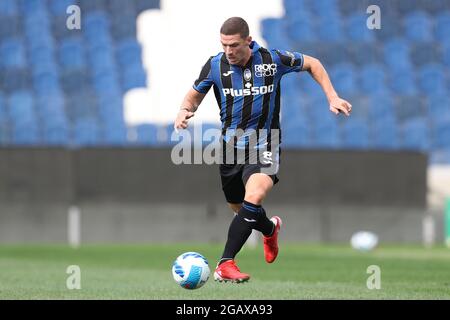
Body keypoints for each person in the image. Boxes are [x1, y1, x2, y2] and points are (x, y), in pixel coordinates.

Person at [174, 17, 351, 283]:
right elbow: (193, 96)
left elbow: (312, 63)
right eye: (224, 45)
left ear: (248, 41)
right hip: (230, 149)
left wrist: (332, 96)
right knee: (241, 208)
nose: (228, 51)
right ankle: (270, 229)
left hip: (265, 145)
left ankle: (225, 263)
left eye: (233, 45)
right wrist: (184, 111)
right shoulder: (214, 65)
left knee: (254, 196)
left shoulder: (272, 59)